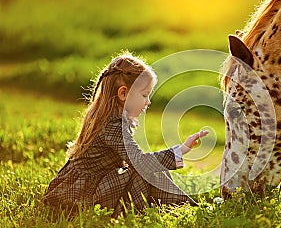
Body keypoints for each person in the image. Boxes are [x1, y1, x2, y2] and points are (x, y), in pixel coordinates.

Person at [42, 51, 208, 217]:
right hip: (83, 195)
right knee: (146, 169)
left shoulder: (105, 115)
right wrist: (182, 149)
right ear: (123, 94)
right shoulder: (113, 125)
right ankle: (186, 208)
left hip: (84, 185)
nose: (148, 101)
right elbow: (141, 163)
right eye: (144, 94)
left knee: (148, 166)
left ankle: (181, 206)